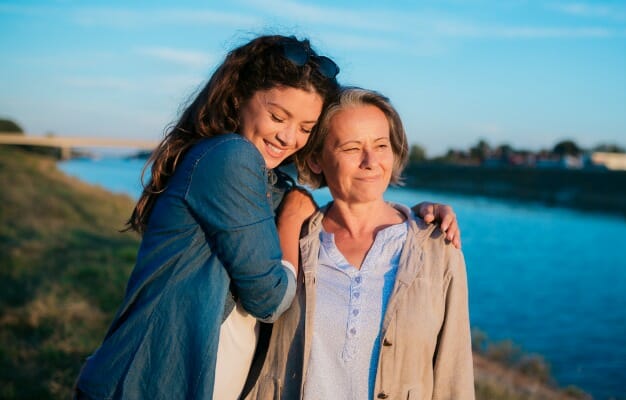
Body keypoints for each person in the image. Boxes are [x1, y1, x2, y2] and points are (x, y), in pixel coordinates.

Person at [74, 36, 461, 400]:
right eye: (278, 117)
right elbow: (270, 299)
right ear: (238, 98)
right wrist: (292, 220)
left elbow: (332, 193)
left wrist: (415, 216)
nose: (288, 137)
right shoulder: (231, 156)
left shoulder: (266, 181)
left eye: (305, 128)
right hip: (149, 382)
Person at [247, 87, 475, 399]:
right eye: (352, 148)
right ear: (315, 160)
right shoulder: (293, 237)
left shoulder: (438, 246)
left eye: (381, 145)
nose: (370, 161)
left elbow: (454, 375)